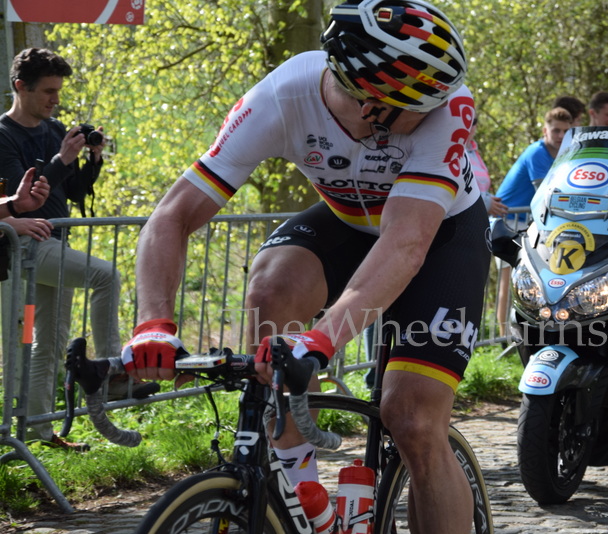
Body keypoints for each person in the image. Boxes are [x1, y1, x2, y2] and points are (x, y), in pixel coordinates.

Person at [120, 1, 488, 532]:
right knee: (271, 286)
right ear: (370, 102)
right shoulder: (283, 95)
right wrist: (153, 323)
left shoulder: (449, 107)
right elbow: (172, 215)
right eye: (421, 103)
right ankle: (302, 495)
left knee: (412, 421)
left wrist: (320, 341)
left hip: (441, 238)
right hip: (345, 218)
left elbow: (407, 245)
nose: (439, 107)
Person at [0, 48, 159, 451]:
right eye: (48, 92)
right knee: (104, 275)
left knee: (49, 343)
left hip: (54, 248)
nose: (55, 100)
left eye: (58, 91)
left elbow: (73, 191)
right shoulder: (3, 136)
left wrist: (93, 159)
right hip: (25, 248)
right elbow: (26, 196)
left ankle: (40, 434)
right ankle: (113, 370)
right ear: (20, 87)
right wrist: (60, 158)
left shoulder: (53, 130)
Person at [494, 107, 572, 339]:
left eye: (565, 132)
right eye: (555, 130)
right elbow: (545, 193)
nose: (560, 136)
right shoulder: (537, 152)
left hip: (527, 224)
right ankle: (502, 338)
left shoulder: (563, 153)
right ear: (544, 130)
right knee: (508, 284)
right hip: (507, 223)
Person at [467, 114, 508, 218]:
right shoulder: (450, 150)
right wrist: (485, 203)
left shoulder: (473, 151)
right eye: (465, 120)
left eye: (473, 121)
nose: (469, 126)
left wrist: (489, 200)